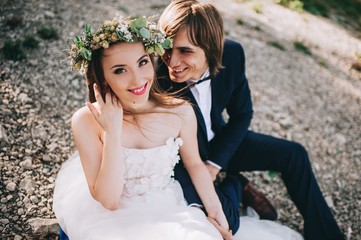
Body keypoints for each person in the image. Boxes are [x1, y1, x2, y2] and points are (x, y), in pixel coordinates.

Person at [54, 15, 304, 240]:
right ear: (102, 78)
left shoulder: (180, 111)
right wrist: (112, 130)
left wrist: (217, 216)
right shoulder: (86, 120)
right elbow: (108, 201)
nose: (138, 79)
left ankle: (234, 185)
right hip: (112, 219)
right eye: (120, 70)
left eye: (143, 62)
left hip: (167, 206)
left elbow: (195, 166)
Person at [156, 1, 345, 239]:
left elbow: (242, 114)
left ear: (211, 48)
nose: (172, 62)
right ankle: (235, 184)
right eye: (167, 48)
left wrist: (215, 164)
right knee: (220, 225)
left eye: (185, 51)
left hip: (220, 143)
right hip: (182, 159)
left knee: (294, 154)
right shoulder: (155, 75)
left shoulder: (233, 55)